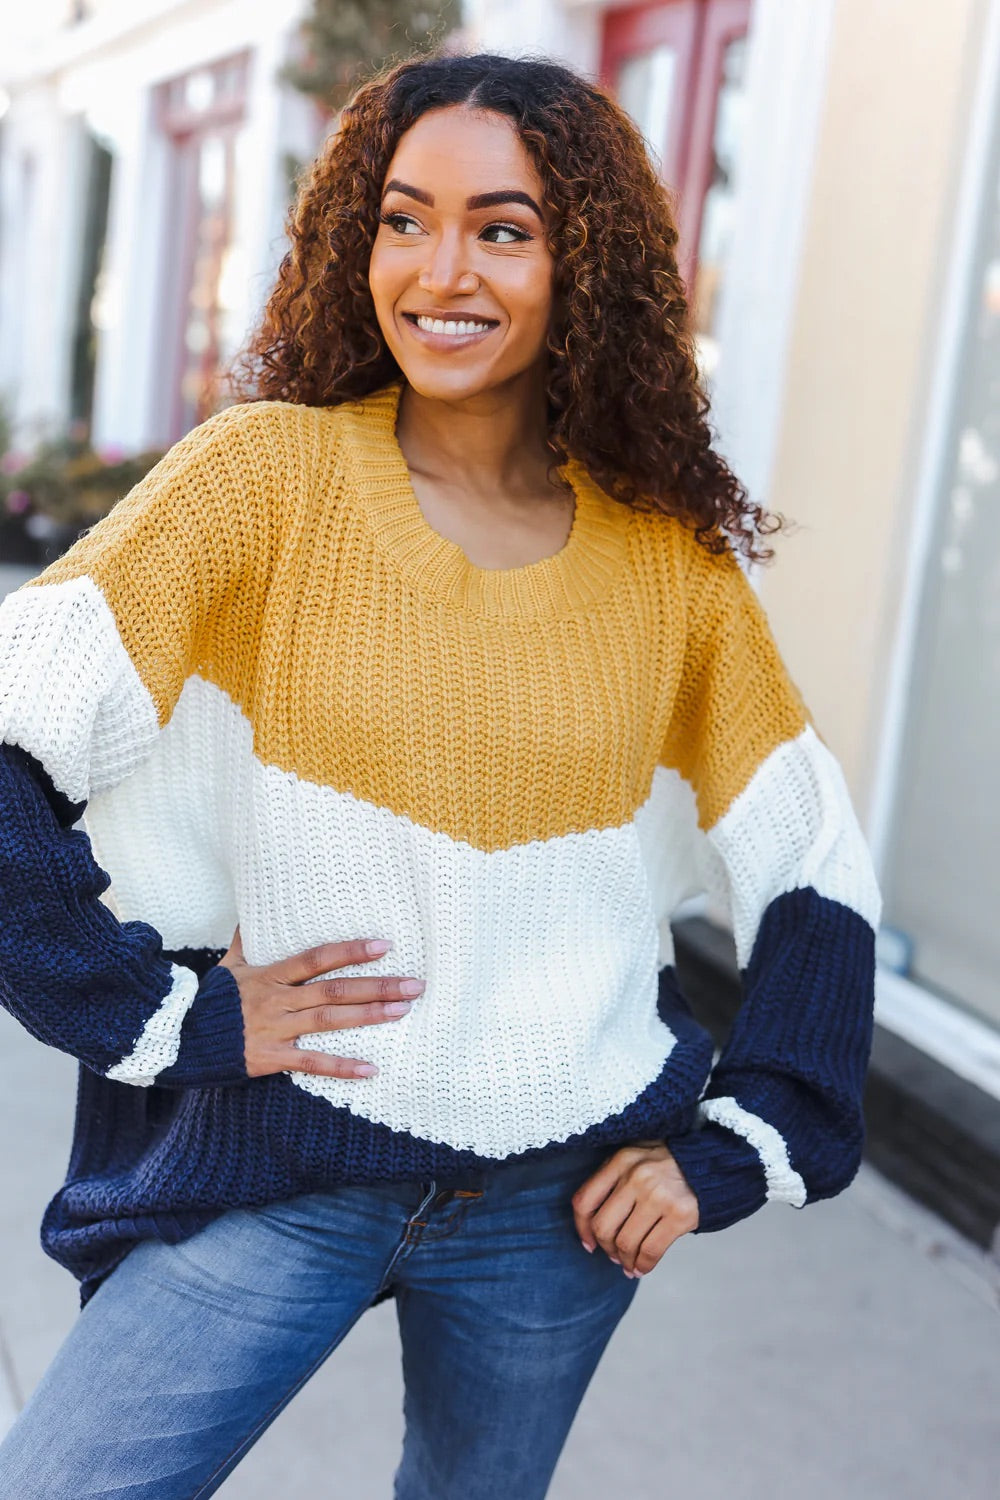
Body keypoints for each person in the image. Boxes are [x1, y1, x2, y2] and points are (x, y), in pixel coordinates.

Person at [0, 51, 882, 1500]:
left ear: (583, 265)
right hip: (281, 1164)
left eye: (504, 228)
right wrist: (160, 1017)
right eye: (403, 219)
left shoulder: (671, 568)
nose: (438, 269)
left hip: (561, 1208)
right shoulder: (262, 481)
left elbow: (813, 863)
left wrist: (745, 1141)